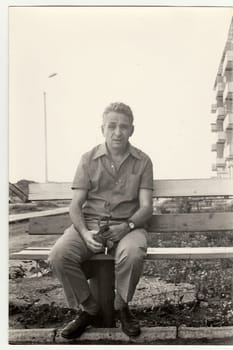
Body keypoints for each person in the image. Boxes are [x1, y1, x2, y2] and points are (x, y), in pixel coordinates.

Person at [48, 102, 153, 339]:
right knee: (59, 255)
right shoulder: (88, 159)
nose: (118, 132)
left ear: (132, 130)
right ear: (102, 129)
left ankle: (121, 307)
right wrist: (85, 233)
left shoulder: (143, 161)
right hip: (91, 225)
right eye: (112, 126)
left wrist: (127, 226)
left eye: (123, 127)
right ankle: (89, 309)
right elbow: (75, 205)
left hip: (128, 226)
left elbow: (147, 207)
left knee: (133, 254)